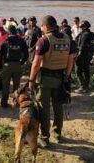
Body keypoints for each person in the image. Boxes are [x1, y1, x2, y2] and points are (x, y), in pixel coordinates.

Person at [28, 15, 75, 148]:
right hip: (61, 78)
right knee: (58, 106)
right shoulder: (68, 39)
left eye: (42, 26)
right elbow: (70, 60)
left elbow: (36, 63)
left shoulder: (43, 40)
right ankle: (58, 134)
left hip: (45, 79)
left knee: (44, 109)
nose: (41, 28)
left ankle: (45, 137)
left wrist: (31, 80)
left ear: (46, 26)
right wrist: (66, 76)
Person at [0, 24, 28, 108]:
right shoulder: (21, 41)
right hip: (17, 65)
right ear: (16, 31)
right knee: (16, 86)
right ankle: (16, 103)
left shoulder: (5, 41)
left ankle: (4, 103)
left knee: (5, 86)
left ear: (8, 31)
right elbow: (26, 53)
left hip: (7, 65)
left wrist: (0, 66)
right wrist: (22, 62)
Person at [75, 21, 94, 93]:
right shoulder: (92, 34)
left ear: (84, 27)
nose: (80, 28)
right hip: (89, 56)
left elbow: (82, 47)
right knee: (86, 71)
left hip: (82, 56)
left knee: (78, 71)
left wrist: (77, 58)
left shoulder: (85, 35)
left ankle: (82, 86)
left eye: (81, 27)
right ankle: (86, 87)